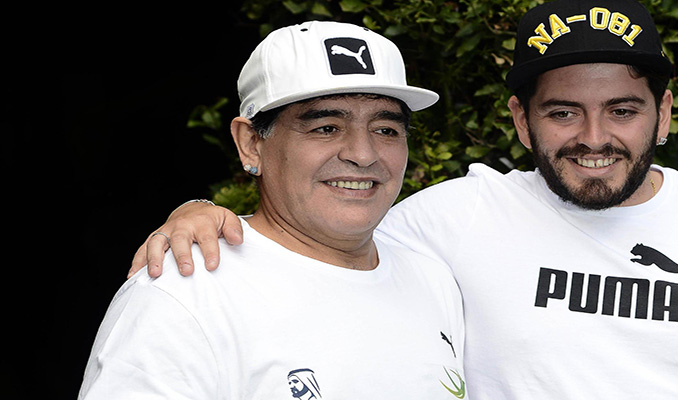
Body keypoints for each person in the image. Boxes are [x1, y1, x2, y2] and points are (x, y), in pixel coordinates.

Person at [129, 1, 678, 399]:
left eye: (622, 109)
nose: (593, 137)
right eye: (560, 111)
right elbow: (319, 234)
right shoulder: (441, 222)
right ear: (519, 118)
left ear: (666, 111)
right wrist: (203, 216)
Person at [79, 20, 468, 399]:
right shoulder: (186, 293)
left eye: (386, 130)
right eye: (326, 127)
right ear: (251, 143)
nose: (362, 155)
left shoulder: (433, 279)